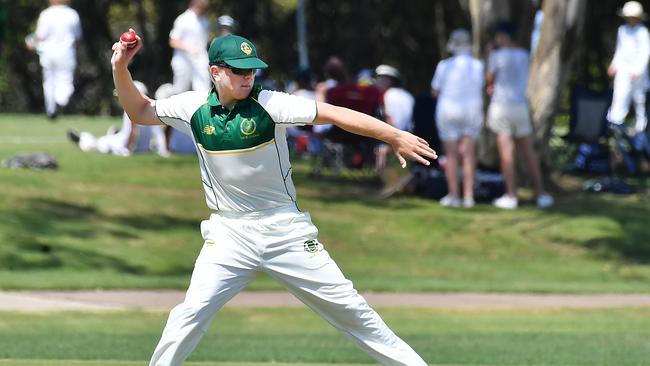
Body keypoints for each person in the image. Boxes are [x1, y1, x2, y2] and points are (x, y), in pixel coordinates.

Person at [111, 32, 435, 366]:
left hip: (285, 230)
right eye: (238, 70)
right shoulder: (192, 108)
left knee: (353, 311)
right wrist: (121, 66)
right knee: (189, 314)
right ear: (215, 72)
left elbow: (335, 113)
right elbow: (139, 110)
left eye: (251, 69)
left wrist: (393, 135)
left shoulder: (271, 104)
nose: (247, 76)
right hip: (229, 235)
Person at [486, 22, 553, 209]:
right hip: (521, 105)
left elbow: (489, 79)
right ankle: (540, 193)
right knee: (528, 152)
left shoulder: (496, 55)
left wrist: (488, 54)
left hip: (502, 106)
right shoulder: (524, 55)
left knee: (507, 153)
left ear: (503, 36)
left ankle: (511, 195)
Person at [431, 29, 484, 208]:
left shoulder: (444, 65)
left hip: (448, 110)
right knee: (468, 155)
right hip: (472, 110)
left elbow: (435, 91)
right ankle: (468, 196)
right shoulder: (478, 65)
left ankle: (454, 194)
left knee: (452, 154)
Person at [67, 81, 169, 157]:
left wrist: (127, 150)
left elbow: (133, 132)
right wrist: (163, 151)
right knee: (105, 140)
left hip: (121, 144)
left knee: (96, 144)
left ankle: (81, 138)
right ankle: (111, 133)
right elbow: (158, 133)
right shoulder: (150, 110)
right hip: (140, 149)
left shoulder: (131, 109)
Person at [26, 0, 81, 120]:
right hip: (66, 53)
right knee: (65, 80)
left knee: (49, 82)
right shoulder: (72, 14)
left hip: (48, 53)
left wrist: (31, 43)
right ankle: (60, 101)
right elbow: (77, 36)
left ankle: (51, 109)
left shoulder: (46, 14)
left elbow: (40, 36)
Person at [607, 1, 650, 133]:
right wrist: (614, 65)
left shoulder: (643, 32)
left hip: (638, 73)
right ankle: (614, 125)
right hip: (623, 70)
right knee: (619, 96)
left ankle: (641, 127)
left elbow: (645, 52)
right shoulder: (622, 30)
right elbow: (620, 51)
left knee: (639, 99)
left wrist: (638, 70)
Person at [374, 64, 415, 173]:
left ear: (389, 81)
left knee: (381, 149)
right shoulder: (407, 95)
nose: (378, 82)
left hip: (397, 133)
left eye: (381, 79)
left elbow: (390, 119)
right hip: (411, 133)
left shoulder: (388, 95)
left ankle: (380, 175)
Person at [169, 0, 211, 94]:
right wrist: (189, 48)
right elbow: (172, 41)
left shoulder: (205, 21)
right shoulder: (183, 19)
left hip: (200, 60)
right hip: (183, 60)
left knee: (203, 90)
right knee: (180, 91)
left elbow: (205, 41)